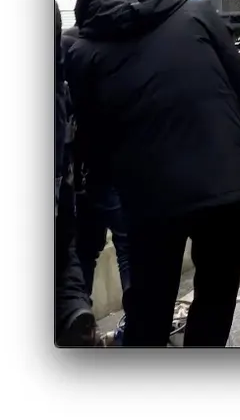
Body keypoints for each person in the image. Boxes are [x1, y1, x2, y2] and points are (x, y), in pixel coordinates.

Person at [64, 0, 240, 347]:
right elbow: (237, 87)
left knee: (148, 307)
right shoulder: (198, 11)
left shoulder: (80, 47)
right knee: (214, 300)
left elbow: (90, 133)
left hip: (151, 196)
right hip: (227, 181)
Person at [62, 24, 133, 302]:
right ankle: (138, 326)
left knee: (83, 253)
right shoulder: (115, 45)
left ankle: (79, 323)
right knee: (128, 247)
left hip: (77, 174)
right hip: (113, 168)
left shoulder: (68, 47)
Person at [53, 0, 96, 347]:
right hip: (73, 168)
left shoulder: (68, 38)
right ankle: (74, 312)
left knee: (74, 245)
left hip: (72, 166)